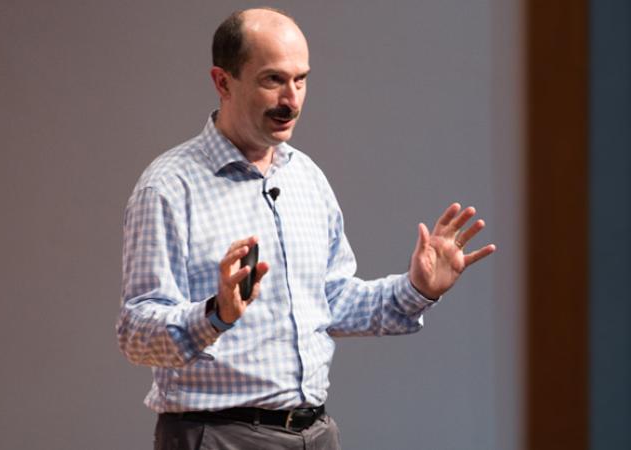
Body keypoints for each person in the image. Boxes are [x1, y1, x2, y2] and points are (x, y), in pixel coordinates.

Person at [117, 7, 496, 450]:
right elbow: (136, 334)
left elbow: (331, 300)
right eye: (273, 80)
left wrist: (418, 289)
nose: (292, 100)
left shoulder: (306, 178)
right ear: (223, 82)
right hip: (219, 435)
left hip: (314, 434)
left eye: (301, 80)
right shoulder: (169, 187)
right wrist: (215, 315)